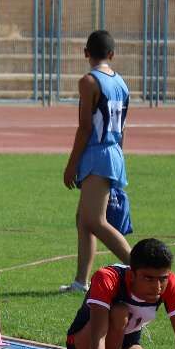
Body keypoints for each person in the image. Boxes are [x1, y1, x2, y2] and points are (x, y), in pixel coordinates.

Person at [61, 30, 132, 293]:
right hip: (113, 151)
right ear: (112, 55)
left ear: (85, 53)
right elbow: (122, 126)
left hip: (97, 153)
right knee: (83, 219)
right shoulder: (122, 83)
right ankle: (81, 282)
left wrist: (71, 165)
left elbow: (85, 128)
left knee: (94, 220)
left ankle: (141, 268)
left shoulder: (89, 81)